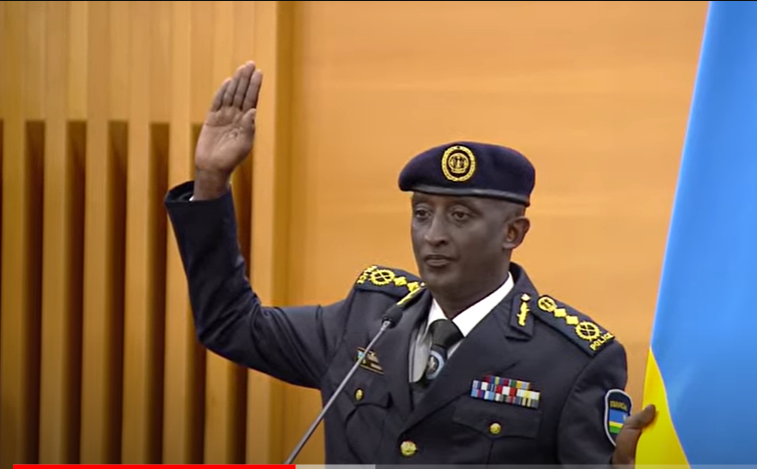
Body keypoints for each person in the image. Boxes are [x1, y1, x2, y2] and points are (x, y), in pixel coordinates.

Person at [165, 60, 656, 466]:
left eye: (460, 216)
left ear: (513, 233)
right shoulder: (365, 318)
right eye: (422, 213)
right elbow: (230, 324)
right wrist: (211, 181)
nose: (433, 234)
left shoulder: (571, 360)